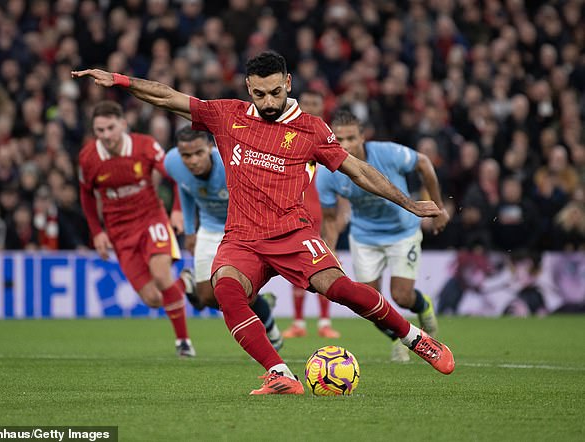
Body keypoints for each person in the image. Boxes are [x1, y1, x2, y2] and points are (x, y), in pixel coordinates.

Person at [72, 51, 455, 396]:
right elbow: (167, 96)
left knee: (340, 289)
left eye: (275, 92)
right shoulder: (227, 115)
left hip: (293, 233)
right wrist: (122, 81)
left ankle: (416, 338)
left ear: (288, 83)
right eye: (260, 94)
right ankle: (279, 373)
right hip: (242, 238)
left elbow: (357, 171)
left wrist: (407, 203)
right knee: (225, 290)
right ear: (247, 88)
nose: (269, 102)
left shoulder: (311, 129)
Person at [317, 110, 449, 363]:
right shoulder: (326, 173)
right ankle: (398, 339)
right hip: (365, 237)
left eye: (351, 138)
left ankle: (423, 307)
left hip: (402, 232)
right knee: (367, 303)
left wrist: (439, 206)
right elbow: (331, 219)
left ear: (363, 137)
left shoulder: (387, 153)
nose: (345, 145)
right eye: (339, 139)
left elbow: (424, 163)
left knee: (401, 296)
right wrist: (330, 250)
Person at [78, 100, 195, 358]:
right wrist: (97, 231)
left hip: (152, 219)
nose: (106, 136)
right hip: (119, 232)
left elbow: (175, 176)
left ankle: (183, 342)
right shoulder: (88, 158)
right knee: (153, 298)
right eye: (100, 130)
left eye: (110, 128)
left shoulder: (144, 146)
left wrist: (177, 210)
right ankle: (186, 284)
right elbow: (86, 195)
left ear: (123, 124)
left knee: (161, 274)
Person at [164, 126, 284, 350]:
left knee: (234, 292)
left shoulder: (232, 164)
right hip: (209, 229)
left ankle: (269, 327)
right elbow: (186, 189)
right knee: (207, 298)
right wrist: (190, 230)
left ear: (211, 147)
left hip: (241, 229)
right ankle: (261, 303)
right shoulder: (171, 163)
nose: (193, 161)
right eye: (186, 155)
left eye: (199, 153)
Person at [282, 89, 342, 339]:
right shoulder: (285, 135)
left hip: (321, 213)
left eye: (314, 103)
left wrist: (338, 216)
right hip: (294, 212)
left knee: (326, 265)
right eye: (305, 103)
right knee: (296, 268)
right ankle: (298, 323)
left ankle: (325, 323)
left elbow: (339, 180)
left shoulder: (326, 139)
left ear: (322, 107)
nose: (308, 107)